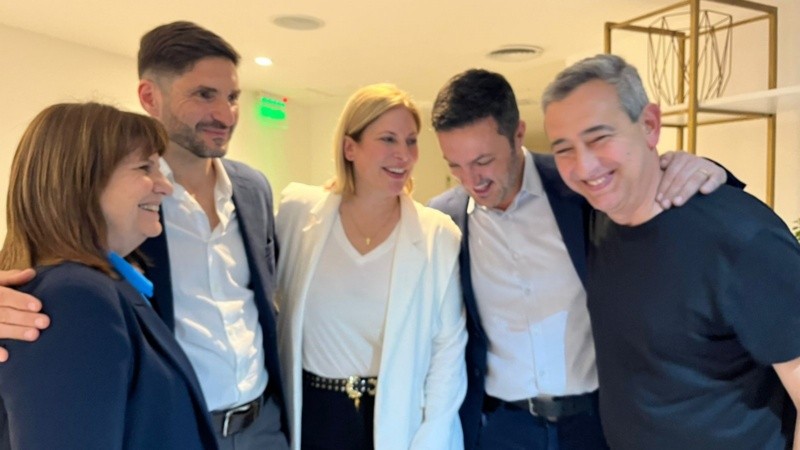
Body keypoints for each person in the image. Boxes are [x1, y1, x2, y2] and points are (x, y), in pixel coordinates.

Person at [0, 21, 289, 449]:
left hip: (261, 424)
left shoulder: (254, 190)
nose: (226, 115)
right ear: (150, 97)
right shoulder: (95, 265)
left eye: (232, 97)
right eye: (204, 94)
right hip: (174, 425)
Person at [427, 68, 737, 450]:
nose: (472, 180)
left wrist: (707, 170)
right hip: (500, 430)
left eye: (483, 160)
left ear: (518, 134)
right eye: (454, 166)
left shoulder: (581, 186)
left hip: (596, 424)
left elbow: (650, 189)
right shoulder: (442, 220)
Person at [541, 53, 800, 450]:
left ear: (649, 124)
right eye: (564, 149)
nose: (584, 166)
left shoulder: (741, 239)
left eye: (599, 138)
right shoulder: (595, 220)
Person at [0, 102, 219, 449]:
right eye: (145, 167)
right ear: (80, 181)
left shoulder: (100, 284)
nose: (166, 186)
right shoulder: (73, 298)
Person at [276, 83, 467, 450]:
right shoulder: (298, 213)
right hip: (314, 415)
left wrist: (432, 437)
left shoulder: (437, 234)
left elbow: (448, 351)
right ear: (350, 147)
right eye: (388, 139)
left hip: (396, 419)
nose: (404, 155)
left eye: (411, 141)